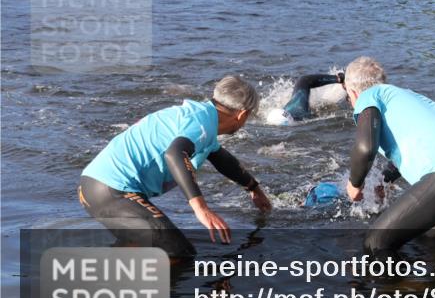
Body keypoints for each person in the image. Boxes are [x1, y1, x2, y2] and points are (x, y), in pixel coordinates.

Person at [78, 76, 271, 258]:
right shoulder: (201, 124)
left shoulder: (202, 118)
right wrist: (201, 208)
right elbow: (175, 154)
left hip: (97, 187)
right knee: (176, 252)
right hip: (112, 190)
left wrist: (254, 188)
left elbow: (220, 157)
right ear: (242, 114)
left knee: (153, 247)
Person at [343, 57, 435, 254]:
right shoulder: (404, 96)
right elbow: (417, 141)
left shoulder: (368, 96)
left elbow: (365, 148)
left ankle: (398, 286)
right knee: (429, 239)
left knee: (376, 243)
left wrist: (355, 184)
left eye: (348, 97)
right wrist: (385, 180)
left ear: (353, 92)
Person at [268, 72, 345, 125]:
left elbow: (304, 80)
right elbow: (304, 80)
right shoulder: (303, 115)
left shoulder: (298, 108)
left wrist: (338, 79)